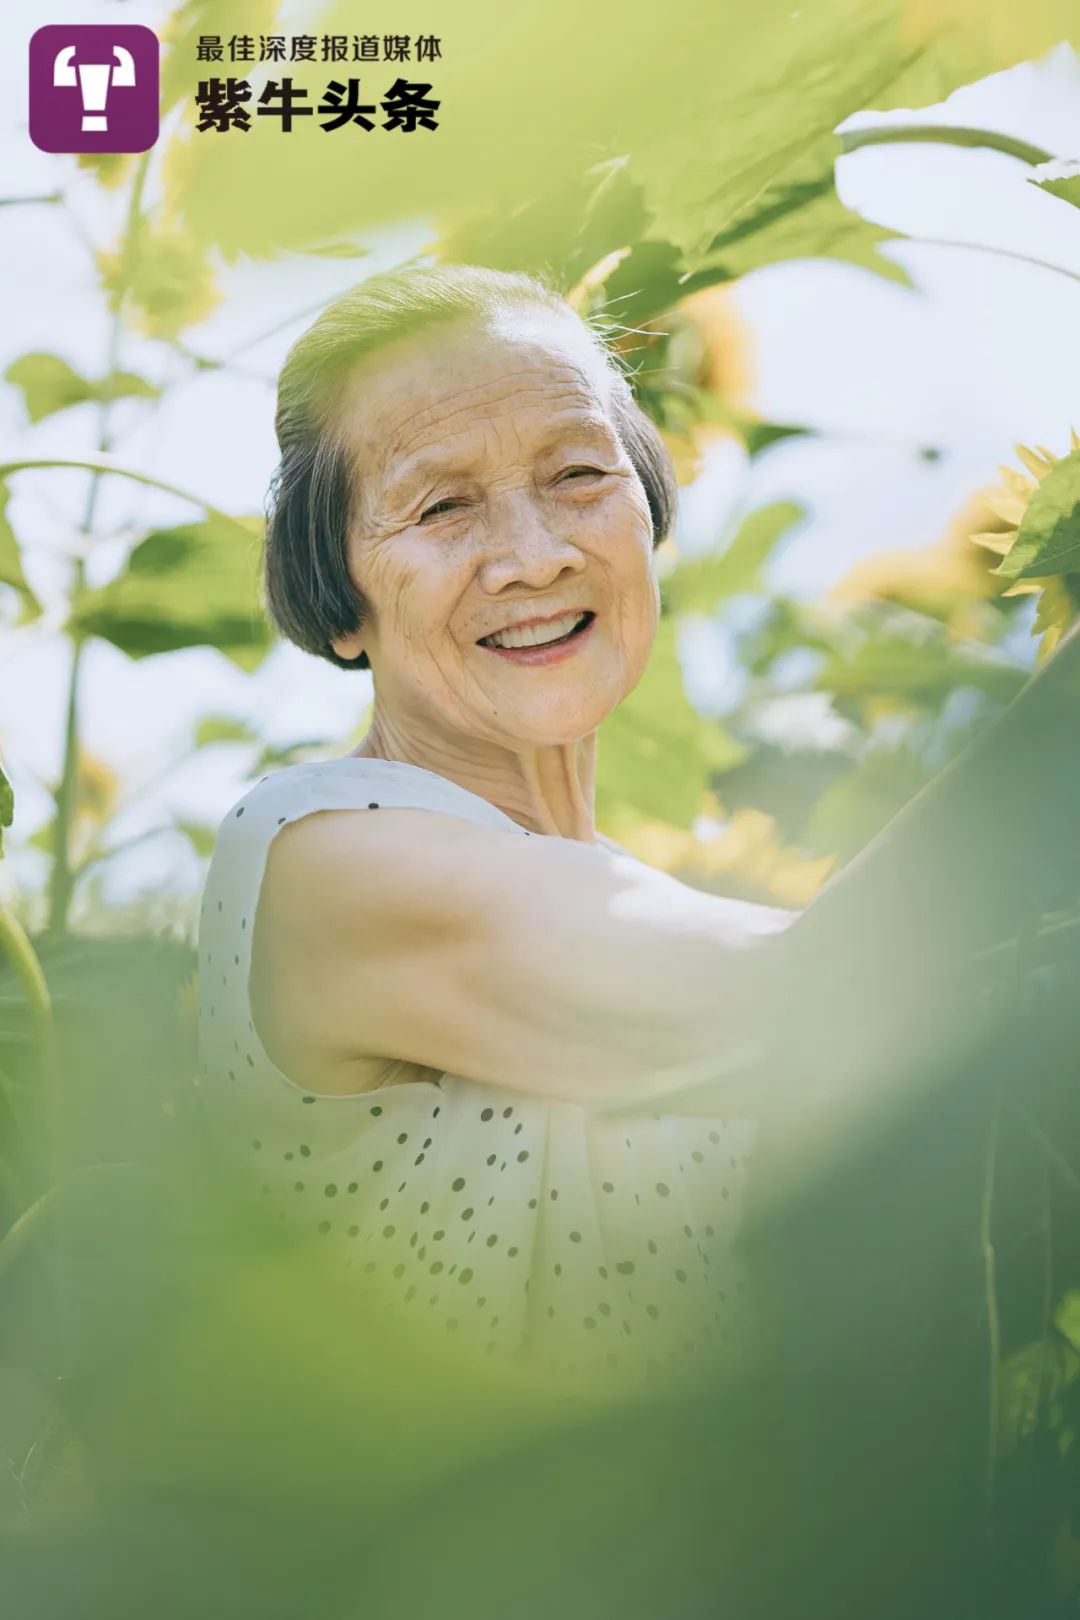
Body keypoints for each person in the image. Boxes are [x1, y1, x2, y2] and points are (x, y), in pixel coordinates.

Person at [196, 262, 796, 1392]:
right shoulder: (322, 852)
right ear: (341, 604)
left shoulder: (621, 894)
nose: (535, 555)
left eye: (578, 474)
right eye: (441, 506)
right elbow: (814, 1003)